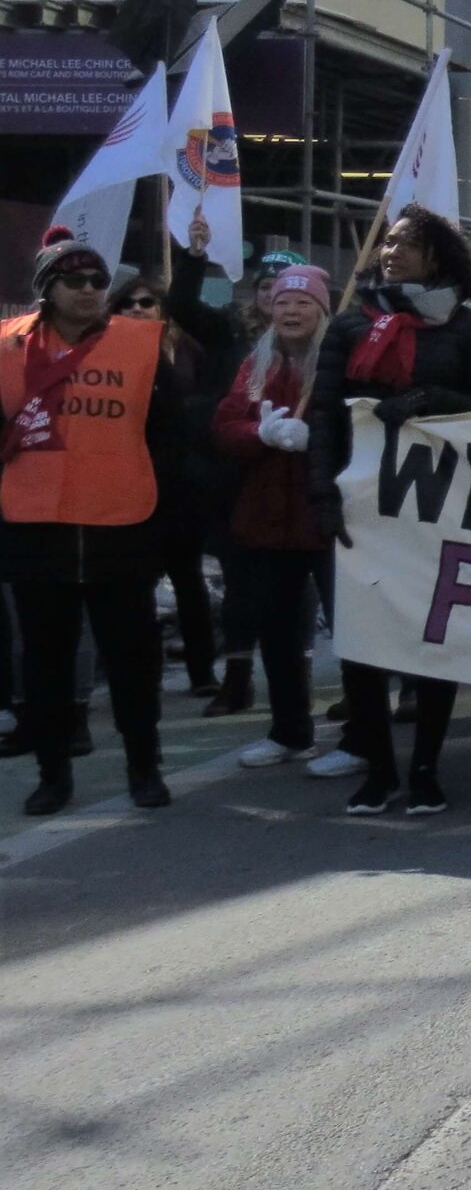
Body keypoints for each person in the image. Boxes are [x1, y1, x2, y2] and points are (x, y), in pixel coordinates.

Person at [306, 204, 471, 816]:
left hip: (434, 503)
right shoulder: (349, 325)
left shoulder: (466, 329)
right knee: (365, 641)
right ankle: (379, 769)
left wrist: (426, 400)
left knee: (430, 639)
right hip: (361, 503)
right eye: (388, 242)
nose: (389, 252)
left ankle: (424, 769)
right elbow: (324, 414)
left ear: (437, 258)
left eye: (406, 244)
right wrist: (321, 490)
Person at [2, 227, 185, 814]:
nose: (90, 290)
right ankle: (53, 774)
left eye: (98, 281)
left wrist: (163, 513)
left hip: (120, 524)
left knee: (133, 659)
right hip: (35, 527)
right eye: (75, 280)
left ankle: (144, 768)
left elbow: (170, 435)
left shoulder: (138, 345)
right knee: (45, 662)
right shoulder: (7, 347)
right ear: (46, 289)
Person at [208, 264, 335, 770]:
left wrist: (316, 442)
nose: (291, 310)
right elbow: (226, 425)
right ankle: (288, 730)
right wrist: (259, 435)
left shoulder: (337, 364)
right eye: (283, 302)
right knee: (278, 631)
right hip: (267, 520)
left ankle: (362, 733)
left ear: (322, 311)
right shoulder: (253, 367)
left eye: (303, 303)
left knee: (351, 626)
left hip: (327, 519)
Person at [108, 266, 221, 697]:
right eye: (126, 303)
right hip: (127, 484)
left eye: (146, 302)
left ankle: (202, 670)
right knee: (135, 586)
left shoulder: (187, 350)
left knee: (187, 579)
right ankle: (142, 671)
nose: (136, 310)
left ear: (162, 309)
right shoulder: (103, 354)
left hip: (181, 487)